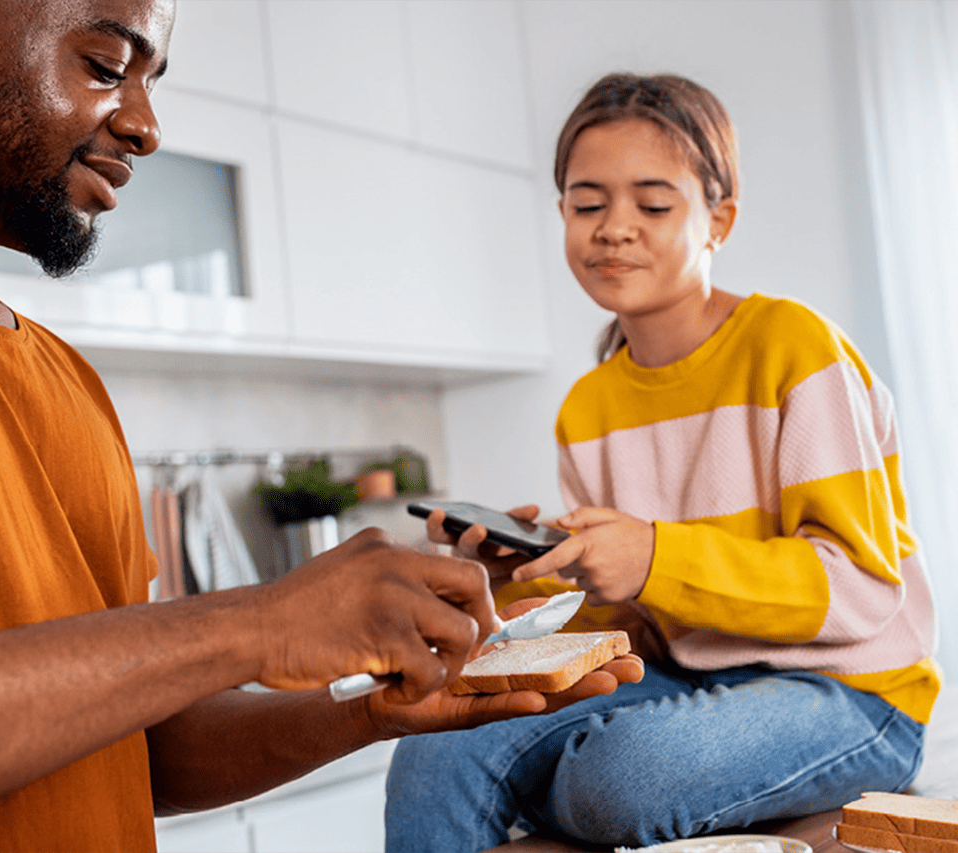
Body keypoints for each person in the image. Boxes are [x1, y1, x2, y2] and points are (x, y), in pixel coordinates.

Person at [0, 2, 645, 851]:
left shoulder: (67, 382)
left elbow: (144, 743)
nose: (143, 125)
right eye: (105, 65)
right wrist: (254, 622)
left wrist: (372, 713)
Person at [384, 72, 940, 851]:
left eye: (651, 204)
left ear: (718, 219)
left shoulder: (795, 350)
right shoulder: (589, 406)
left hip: (848, 691)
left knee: (618, 778)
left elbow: (860, 591)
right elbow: (637, 629)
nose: (614, 228)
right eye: (587, 204)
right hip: (694, 677)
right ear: (562, 216)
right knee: (435, 748)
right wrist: (534, 574)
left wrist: (654, 554)